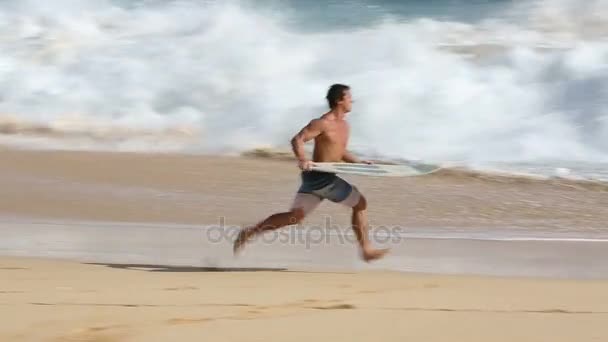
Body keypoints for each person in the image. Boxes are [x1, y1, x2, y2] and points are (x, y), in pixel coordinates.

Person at [233, 84, 389, 262]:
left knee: (294, 217)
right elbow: (298, 139)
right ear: (339, 100)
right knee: (360, 203)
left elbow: (339, 151)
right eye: (348, 97)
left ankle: (249, 232)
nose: (352, 100)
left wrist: (358, 162)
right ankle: (366, 250)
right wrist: (302, 158)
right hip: (322, 179)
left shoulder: (345, 126)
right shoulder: (322, 123)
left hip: (316, 179)